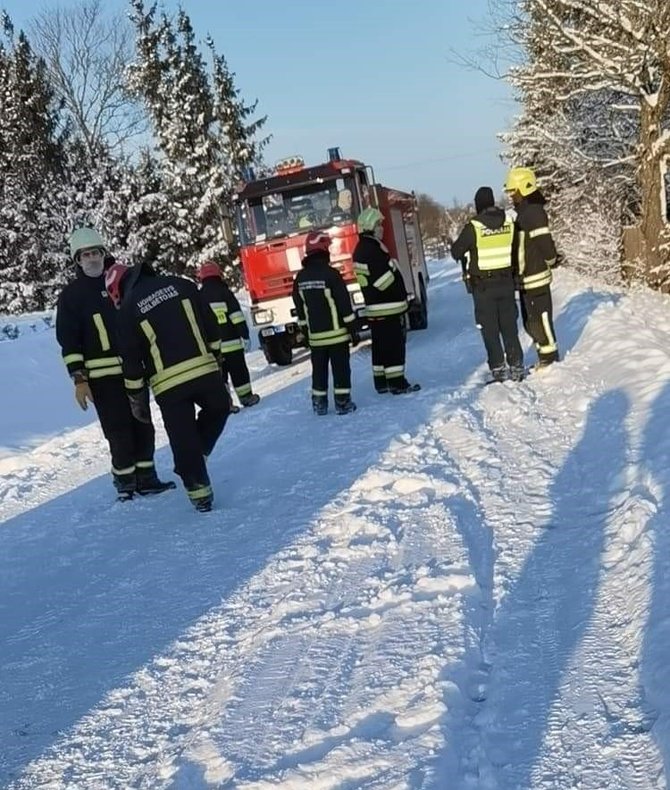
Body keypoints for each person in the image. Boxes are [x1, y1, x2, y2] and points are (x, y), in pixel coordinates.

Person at [55, 227, 174, 501]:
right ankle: (125, 482)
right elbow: (69, 341)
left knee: (143, 424)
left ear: (104, 253)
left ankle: (147, 477)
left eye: (96, 252)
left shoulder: (121, 282)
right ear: (77, 259)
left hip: (134, 371)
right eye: (86, 255)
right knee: (118, 431)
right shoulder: (72, 296)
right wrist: (79, 379)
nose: (92, 259)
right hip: (102, 379)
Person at [104, 259, 230, 513]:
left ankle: (200, 494)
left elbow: (131, 360)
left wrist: (137, 398)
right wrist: (216, 356)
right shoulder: (181, 285)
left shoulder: (128, 309)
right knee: (220, 408)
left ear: (118, 290)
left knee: (182, 437)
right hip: (205, 370)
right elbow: (211, 324)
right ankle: (199, 451)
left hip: (168, 385)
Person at [450, 186, 525, 382]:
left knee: (490, 329)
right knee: (509, 326)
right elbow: (517, 249)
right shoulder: (509, 223)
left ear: (478, 205)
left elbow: (456, 252)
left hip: (483, 288)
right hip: (507, 283)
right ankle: (517, 365)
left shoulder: (474, 227)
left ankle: (499, 368)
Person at [353, 207, 420, 394]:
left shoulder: (362, 248)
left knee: (380, 346)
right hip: (387, 307)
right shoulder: (372, 250)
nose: (382, 228)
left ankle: (381, 382)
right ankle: (397, 382)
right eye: (379, 225)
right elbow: (383, 282)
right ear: (371, 227)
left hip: (376, 309)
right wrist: (393, 268)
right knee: (394, 346)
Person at [292, 230, 357, 415]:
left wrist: (305, 331)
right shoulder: (331, 274)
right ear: (323, 250)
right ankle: (342, 402)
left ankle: (319, 403)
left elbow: (300, 308)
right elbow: (344, 303)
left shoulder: (300, 278)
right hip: (337, 335)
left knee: (318, 371)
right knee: (341, 369)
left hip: (316, 339)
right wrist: (352, 328)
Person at [504, 166, 560, 369]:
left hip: (536, 277)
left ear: (524, 188)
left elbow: (545, 243)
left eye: (513, 192)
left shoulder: (533, 213)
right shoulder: (524, 213)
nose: (511, 196)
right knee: (531, 321)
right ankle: (543, 355)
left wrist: (552, 259)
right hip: (526, 279)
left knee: (541, 318)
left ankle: (550, 359)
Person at [197, 260, 260, 409]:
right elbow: (236, 316)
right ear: (218, 274)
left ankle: (226, 404)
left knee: (220, 377)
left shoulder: (199, 297)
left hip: (214, 349)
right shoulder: (225, 293)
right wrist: (244, 335)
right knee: (239, 373)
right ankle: (246, 397)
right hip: (233, 345)